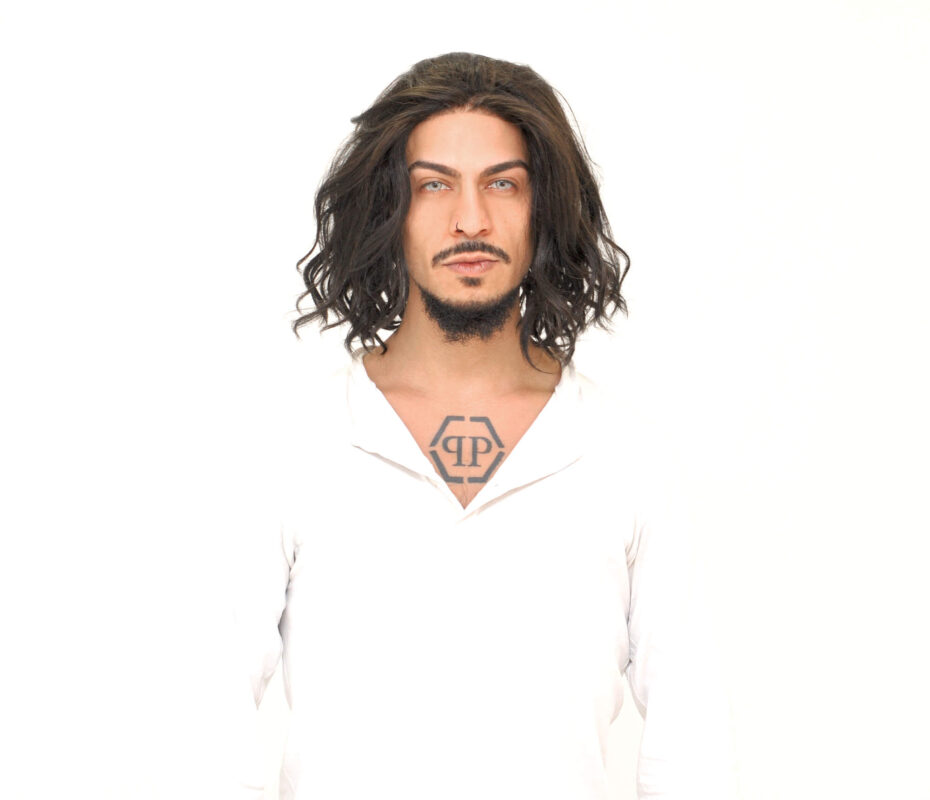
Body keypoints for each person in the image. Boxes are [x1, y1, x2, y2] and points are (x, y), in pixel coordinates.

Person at [235, 52, 736, 799]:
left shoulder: (626, 456)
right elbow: (203, 710)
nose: (470, 219)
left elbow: (690, 742)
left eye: (503, 183)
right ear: (389, 211)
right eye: (433, 185)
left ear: (544, 210)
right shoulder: (295, 445)